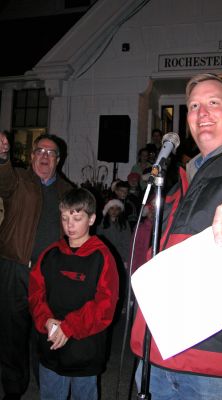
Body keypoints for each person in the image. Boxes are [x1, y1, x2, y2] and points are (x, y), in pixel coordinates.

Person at [131, 73, 222, 400]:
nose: (201, 112)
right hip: (159, 357)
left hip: (220, 370)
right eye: (193, 106)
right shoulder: (179, 181)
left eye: (213, 103)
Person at [0, 132, 73, 399]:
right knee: (11, 334)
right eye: (39, 151)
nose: (44, 156)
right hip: (14, 268)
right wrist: (2, 157)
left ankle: (48, 388)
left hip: (48, 276)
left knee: (45, 333)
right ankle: (13, 389)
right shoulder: (18, 179)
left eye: (50, 153)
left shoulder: (67, 190)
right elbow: (2, 179)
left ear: (58, 160)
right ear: (31, 157)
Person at [28, 187, 119, 400]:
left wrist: (69, 327)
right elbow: (35, 293)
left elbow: (105, 306)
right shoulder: (50, 254)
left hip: (85, 350)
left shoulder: (102, 256)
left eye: (77, 218)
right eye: (65, 217)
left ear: (92, 219)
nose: (70, 225)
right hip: (51, 345)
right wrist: (45, 320)